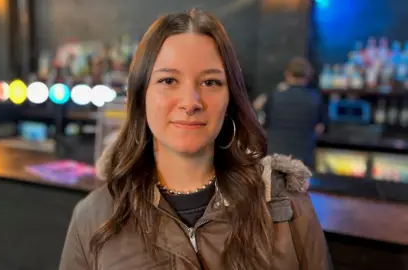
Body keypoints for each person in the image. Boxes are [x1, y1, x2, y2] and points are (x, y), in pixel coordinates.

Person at [59, 9, 331, 270]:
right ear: (141, 96)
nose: (191, 102)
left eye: (210, 82)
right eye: (168, 81)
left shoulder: (287, 207)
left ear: (231, 98)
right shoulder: (93, 218)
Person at [255, 57, 327, 168]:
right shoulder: (316, 98)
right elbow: (320, 128)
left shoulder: (275, 96)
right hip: (303, 160)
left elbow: (263, 124)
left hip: (275, 157)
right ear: (308, 77)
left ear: (287, 74)